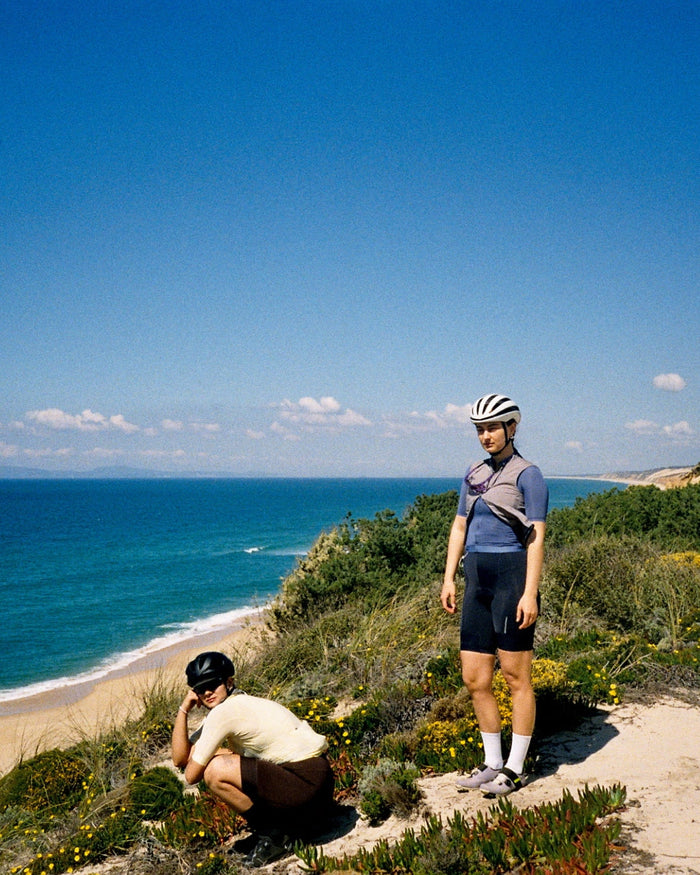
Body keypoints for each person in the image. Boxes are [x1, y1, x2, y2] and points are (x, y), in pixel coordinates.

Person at [440, 394, 548, 797]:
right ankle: (492, 762)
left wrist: (530, 593)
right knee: (475, 678)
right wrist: (449, 578)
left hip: (511, 579)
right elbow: (458, 527)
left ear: (512, 428)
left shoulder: (528, 474)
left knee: (516, 677)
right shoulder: (472, 472)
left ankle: (516, 768)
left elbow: (536, 537)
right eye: (479, 429)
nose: (485, 436)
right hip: (476, 582)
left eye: (492, 428)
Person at [171, 651, 334, 867]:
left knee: (214, 771)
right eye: (200, 689)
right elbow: (180, 758)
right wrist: (184, 709)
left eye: (213, 684)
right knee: (219, 760)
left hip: (305, 784)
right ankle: (286, 829)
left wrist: (214, 755)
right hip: (321, 785)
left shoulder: (223, 713)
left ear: (229, 682)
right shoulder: (239, 702)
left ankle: (274, 835)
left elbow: (190, 776)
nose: (207, 692)